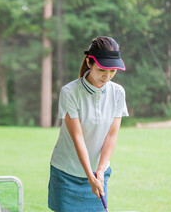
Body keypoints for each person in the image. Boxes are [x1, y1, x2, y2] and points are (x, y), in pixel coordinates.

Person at [48, 36, 128, 212]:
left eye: (113, 71)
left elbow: (111, 136)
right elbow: (78, 138)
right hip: (66, 173)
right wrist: (89, 175)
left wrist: (99, 171)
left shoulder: (118, 93)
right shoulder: (70, 92)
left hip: (99, 173)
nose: (107, 76)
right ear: (89, 62)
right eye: (102, 70)